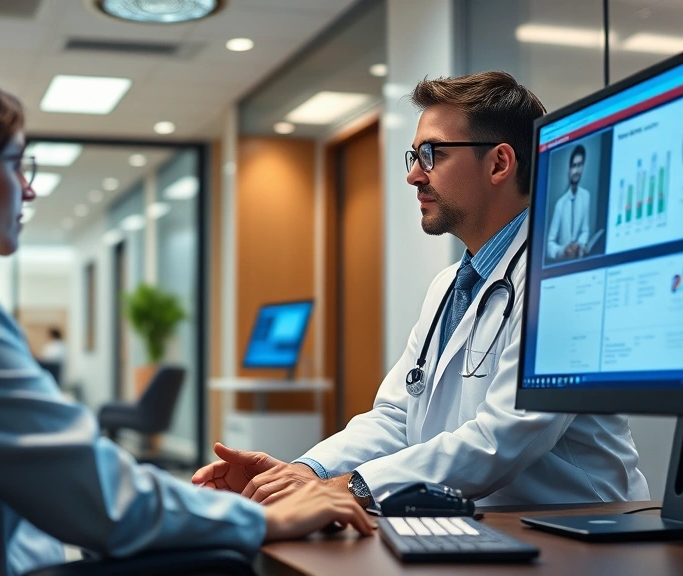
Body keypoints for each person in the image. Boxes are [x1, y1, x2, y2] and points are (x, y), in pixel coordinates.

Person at [0, 66, 373, 576]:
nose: (28, 189)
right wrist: (261, 520)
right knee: (223, 561)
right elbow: (103, 501)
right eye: (15, 164)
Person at [193, 71, 649, 509]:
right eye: (414, 157)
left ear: (499, 163)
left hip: (581, 534)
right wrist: (305, 473)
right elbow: (395, 417)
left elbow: (502, 438)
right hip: (489, 524)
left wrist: (351, 487)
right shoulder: (449, 285)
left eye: (433, 154)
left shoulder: (566, 277)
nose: (414, 176)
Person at [546, 144, 592, 261]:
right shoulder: (560, 204)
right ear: (569, 169)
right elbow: (549, 244)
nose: (576, 170)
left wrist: (580, 245)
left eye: (580, 165)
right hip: (563, 265)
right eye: (574, 166)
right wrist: (563, 250)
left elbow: (585, 230)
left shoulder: (586, 196)